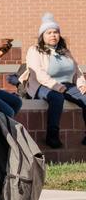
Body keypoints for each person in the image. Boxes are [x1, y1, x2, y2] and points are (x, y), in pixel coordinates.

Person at [22, 13, 86, 148]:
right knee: (57, 98)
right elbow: (38, 73)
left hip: (67, 85)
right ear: (42, 36)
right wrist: (56, 86)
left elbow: (76, 71)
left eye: (55, 32)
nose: (53, 35)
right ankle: (52, 136)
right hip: (43, 86)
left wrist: (81, 84)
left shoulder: (65, 51)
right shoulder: (34, 50)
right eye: (49, 33)